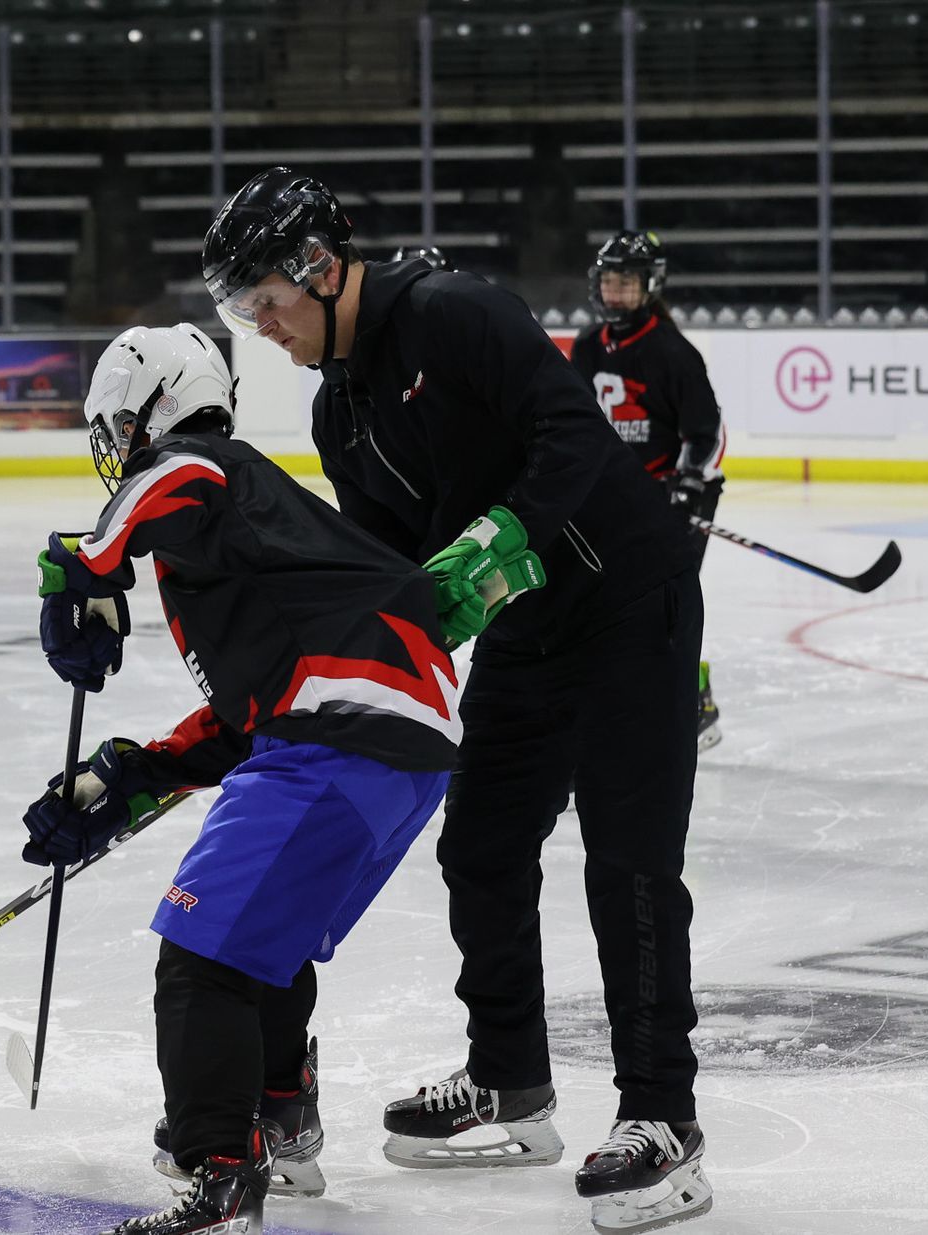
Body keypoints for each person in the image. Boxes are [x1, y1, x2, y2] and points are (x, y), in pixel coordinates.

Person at [201, 168, 714, 1235]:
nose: (264, 325)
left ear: (320, 266)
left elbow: (571, 435)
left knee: (628, 860)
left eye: (266, 301)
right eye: (244, 311)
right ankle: (511, 1080)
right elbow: (388, 561)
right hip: (527, 630)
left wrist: (505, 533)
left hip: (629, 599)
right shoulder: (339, 407)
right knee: (480, 844)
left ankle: (663, 1115)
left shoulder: (455, 313)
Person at [23, 323, 497, 1235]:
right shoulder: (244, 527)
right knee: (258, 942)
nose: (114, 452)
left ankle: (221, 1171)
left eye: (121, 426)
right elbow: (253, 715)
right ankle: (281, 1110)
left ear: (156, 409)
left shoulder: (206, 473)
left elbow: (179, 475)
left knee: (200, 955)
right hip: (393, 747)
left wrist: (86, 564)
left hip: (347, 742)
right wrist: (128, 775)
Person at [568, 230, 728, 752]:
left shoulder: (672, 352)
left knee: (665, 611)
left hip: (675, 497)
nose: (615, 294)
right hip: (615, 496)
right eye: (609, 282)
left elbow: (707, 433)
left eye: (626, 283)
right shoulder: (590, 346)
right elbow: (575, 421)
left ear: (651, 285)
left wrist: (685, 487)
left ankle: (693, 701)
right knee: (603, 608)